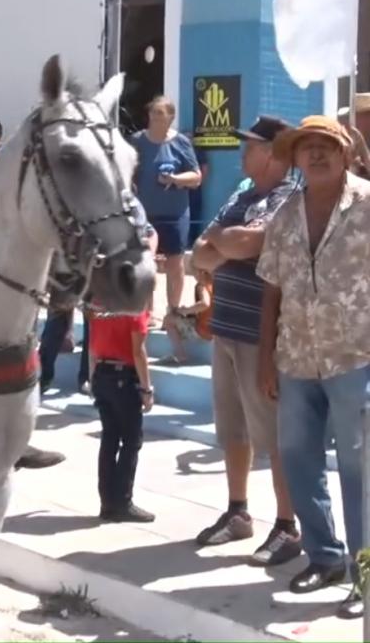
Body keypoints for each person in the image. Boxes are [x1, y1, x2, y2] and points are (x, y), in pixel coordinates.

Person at [258, 116, 370, 619]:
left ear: (346, 154)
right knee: (298, 457)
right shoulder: (284, 215)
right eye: (307, 148)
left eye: (327, 146)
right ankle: (324, 557)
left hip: (356, 357)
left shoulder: (367, 205)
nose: (317, 155)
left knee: (359, 470)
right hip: (296, 359)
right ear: (296, 158)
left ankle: (365, 578)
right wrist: (266, 357)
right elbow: (271, 291)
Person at [191, 116, 300, 565]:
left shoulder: (289, 196)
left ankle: (287, 526)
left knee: (274, 436)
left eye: (251, 145)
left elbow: (251, 245)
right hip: (227, 331)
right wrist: (224, 242)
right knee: (232, 430)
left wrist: (224, 243)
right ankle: (238, 512)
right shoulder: (241, 194)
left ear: (273, 152)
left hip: (262, 336)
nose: (243, 151)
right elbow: (200, 252)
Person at [132, 96, 201, 312]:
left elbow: (196, 177)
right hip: (145, 215)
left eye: (160, 113)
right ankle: (147, 313)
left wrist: (175, 179)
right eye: (153, 112)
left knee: (174, 264)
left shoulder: (181, 143)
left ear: (171, 117)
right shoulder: (136, 141)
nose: (155, 117)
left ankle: (173, 311)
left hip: (175, 214)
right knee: (146, 265)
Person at [90, 299, 155, 523]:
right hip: (123, 377)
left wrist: (92, 377)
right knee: (131, 440)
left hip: (101, 372)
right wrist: (147, 389)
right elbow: (138, 352)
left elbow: (92, 345)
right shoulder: (134, 307)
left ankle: (107, 502)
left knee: (109, 438)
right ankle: (123, 501)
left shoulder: (100, 304)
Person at [158, 275, 212, 366]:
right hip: (218, 330)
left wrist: (185, 310)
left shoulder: (202, 285)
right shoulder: (218, 284)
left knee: (168, 319)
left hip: (204, 330)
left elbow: (205, 304)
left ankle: (180, 355)